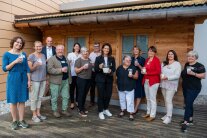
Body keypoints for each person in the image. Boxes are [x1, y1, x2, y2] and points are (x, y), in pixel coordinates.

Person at [2, 36, 30, 130]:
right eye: (17, 42)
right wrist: (15, 61)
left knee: (22, 100)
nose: (19, 44)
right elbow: (5, 68)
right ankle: (14, 121)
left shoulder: (24, 54)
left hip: (23, 79)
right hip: (13, 79)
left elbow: (27, 68)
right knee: (13, 101)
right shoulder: (7, 54)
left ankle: (21, 120)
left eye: (21, 43)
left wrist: (29, 80)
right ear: (13, 42)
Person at [181, 50, 205, 132]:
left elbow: (203, 76)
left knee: (188, 104)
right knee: (189, 103)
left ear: (196, 58)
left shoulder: (200, 66)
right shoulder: (187, 64)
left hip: (194, 88)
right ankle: (190, 119)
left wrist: (194, 74)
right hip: (185, 87)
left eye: (192, 56)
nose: (190, 57)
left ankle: (185, 121)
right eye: (189, 56)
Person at [47, 45, 72, 118]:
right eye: (58, 49)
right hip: (55, 81)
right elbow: (49, 69)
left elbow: (69, 70)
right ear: (56, 50)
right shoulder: (52, 59)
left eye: (61, 49)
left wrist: (69, 79)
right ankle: (55, 110)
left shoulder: (66, 58)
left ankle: (64, 110)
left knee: (66, 96)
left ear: (63, 50)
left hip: (65, 80)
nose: (60, 51)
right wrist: (60, 70)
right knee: (54, 97)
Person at [94, 43, 116, 120]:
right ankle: (100, 111)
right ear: (102, 49)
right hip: (100, 79)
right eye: (105, 48)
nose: (106, 50)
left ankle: (105, 109)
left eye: (108, 48)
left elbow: (114, 69)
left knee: (108, 95)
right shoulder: (98, 58)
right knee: (101, 95)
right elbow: (95, 69)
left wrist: (111, 70)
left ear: (109, 50)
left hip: (109, 79)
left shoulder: (112, 58)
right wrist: (99, 67)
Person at [160, 50, 181, 124]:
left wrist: (167, 77)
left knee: (168, 100)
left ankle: (169, 117)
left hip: (171, 84)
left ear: (174, 55)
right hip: (164, 84)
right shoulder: (164, 63)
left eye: (172, 54)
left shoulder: (177, 64)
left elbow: (177, 75)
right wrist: (161, 76)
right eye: (169, 54)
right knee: (166, 100)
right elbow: (161, 72)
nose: (170, 55)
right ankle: (167, 114)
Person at [28, 41, 47, 123]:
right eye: (37, 46)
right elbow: (29, 69)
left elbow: (44, 68)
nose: (39, 48)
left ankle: (38, 113)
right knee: (34, 98)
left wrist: (46, 79)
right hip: (35, 80)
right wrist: (36, 65)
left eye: (40, 46)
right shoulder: (31, 56)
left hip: (43, 79)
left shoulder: (43, 55)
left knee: (40, 97)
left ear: (42, 47)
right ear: (34, 47)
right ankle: (34, 115)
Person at [142, 46, 161, 122]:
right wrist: (143, 70)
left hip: (153, 81)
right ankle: (148, 112)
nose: (150, 52)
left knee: (152, 99)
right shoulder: (147, 60)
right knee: (148, 98)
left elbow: (158, 71)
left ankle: (152, 115)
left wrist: (148, 73)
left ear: (155, 52)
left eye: (152, 51)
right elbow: (145, 68)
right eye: (149, 51)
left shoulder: (156, 60)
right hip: (146, 81)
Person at [116, 55, 138, 121]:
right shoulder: (119, 68)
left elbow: (136, 77)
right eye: (127, 60)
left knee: (130, 101)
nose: (128, 61)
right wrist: (116, 85)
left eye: (130, 60)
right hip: (121, 87)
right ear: (123, 61)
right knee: (122, 99)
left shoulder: (133, 68)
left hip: (130, 87)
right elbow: (116, 77)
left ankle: (131, 114)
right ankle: (122, 111)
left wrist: (132, 76)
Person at [75, 47, 92, 117]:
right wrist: (82, 67)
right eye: (84, 51)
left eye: (87, 51)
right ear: (81, 52)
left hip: (88, 79)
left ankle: (82, 107)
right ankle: (80, 109)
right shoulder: (79, 60)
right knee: (81, 94)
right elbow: (76, 71)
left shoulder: (89, 60)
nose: (86, 53)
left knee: (85, 94)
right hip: (81, 79)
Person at [131, 46, 145, 114]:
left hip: (139, 77)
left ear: (139, 51)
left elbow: (144, 70)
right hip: (132, 77)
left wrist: (139, 65)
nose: (135, 51)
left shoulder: (142, 59)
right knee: (133, 93)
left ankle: (136, 109)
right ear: (133, 51)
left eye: (137, 49)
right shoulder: (131, 58)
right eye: (134, 49)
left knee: (138, 93)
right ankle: (133, 107)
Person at [67, 43, 81, 109]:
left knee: (78, 89)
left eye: (78, 46)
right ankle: (72, 102)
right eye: (76, 46)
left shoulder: (81, 55)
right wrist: (69, 62)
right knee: (72, 89)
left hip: (80, 74)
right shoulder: (70, 54)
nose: (77, 47)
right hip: (72, 74)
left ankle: (77, 101)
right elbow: (66, 63)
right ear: (74, 47)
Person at [89, 42, 101, 106]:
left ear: (99, 47)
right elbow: (89, 62)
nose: (96, 48)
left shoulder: (101, 54)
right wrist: (92, 64)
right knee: (92, 87)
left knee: (100, 87)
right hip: (93, 72)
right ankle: (92, 101)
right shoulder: (91, 54)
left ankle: (100, 101)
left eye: (97, 46)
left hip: (100, 73)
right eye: (95, 46)